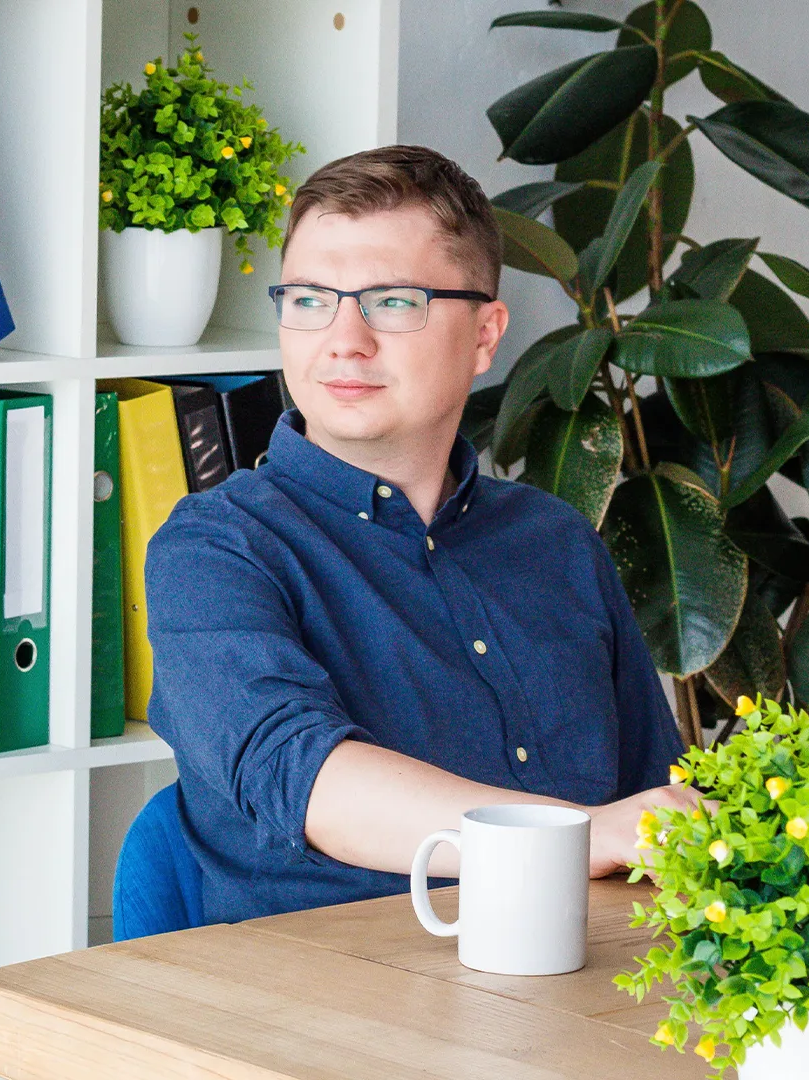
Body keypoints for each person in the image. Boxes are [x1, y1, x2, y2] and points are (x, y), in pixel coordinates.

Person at [145, 144, 699, 925]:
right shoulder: (214, 549)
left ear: (484, 335)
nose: (343, 339)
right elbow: (307, 783)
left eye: (394, 302)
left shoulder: (559, 544)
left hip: (582, 987)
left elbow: (650, 803)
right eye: (309, 299)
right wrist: (576, 839)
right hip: (327, 1006)